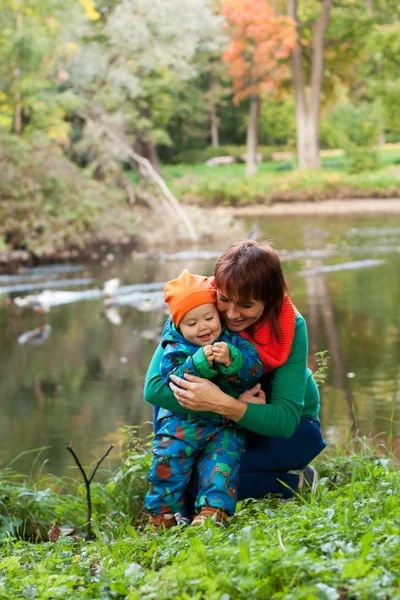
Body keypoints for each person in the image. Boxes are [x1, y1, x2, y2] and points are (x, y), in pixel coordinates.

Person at [144, 240, 326, 513]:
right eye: (225, 299)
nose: (231, 313)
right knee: (176, 388)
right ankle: (174, 505)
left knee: (210, 484)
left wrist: (222, 404)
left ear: (270, 300)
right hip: (233, 418)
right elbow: (155, 389)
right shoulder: (197, 305)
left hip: (288, 427)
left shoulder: (290, 325)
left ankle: (295, 481)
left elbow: (286, 421)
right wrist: (221, 404)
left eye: (246, 305)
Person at [145, 269, 263, 529]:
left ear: (217, 313)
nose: (203, 328)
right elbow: (172, 378)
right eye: (192, 323)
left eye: (209, 317)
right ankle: (161, 515)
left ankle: (213, 512)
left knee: (222, 465)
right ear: (178, 326)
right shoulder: (174, 348)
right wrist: (198, 363)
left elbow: (255, 370)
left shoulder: (233, 342)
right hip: (181, 424)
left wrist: (234, 361)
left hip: (224, 426)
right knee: (167, 463)